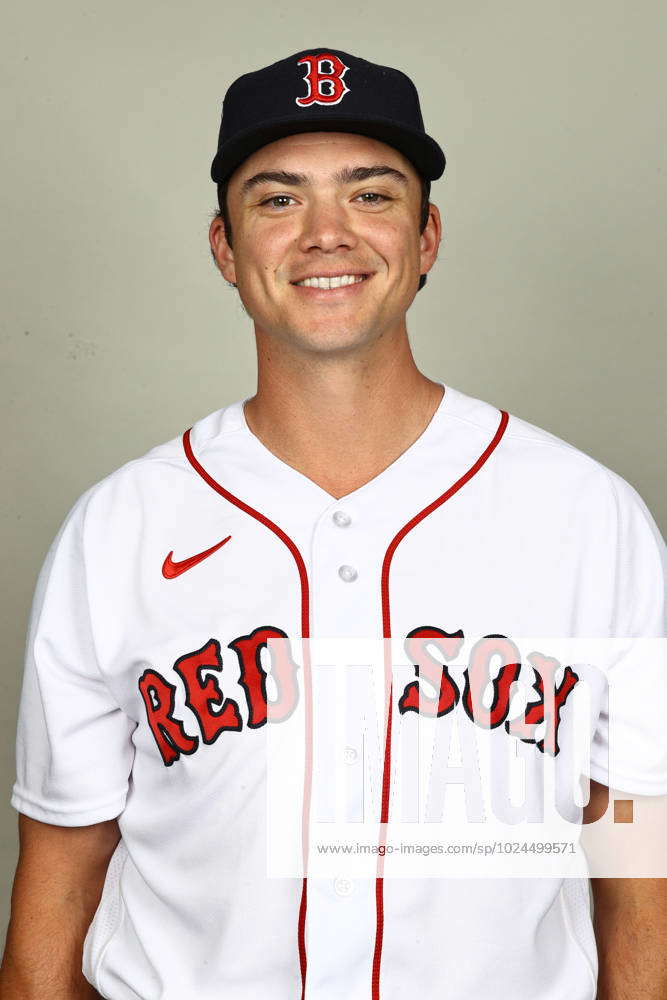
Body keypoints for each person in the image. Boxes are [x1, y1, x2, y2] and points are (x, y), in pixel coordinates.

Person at [1, 46, 666, 1000]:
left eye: (371, 195)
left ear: (426, 236)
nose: (325, 234)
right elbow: (57, 880)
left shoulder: (588, 514)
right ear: (225, 248)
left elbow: (636, 860)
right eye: (277, 200)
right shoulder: (119, 529)